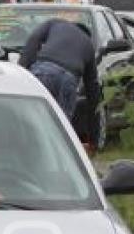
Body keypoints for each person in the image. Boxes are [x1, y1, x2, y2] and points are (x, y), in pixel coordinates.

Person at [20, 19, 99, 148]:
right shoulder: (89, 46)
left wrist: (22, 71)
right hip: (69, 79)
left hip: (43, 71)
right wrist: (94, 139)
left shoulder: (55, 23)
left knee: (31, 116)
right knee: (61, 127)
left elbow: (33, 40)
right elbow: (93, 93)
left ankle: (28, 149)